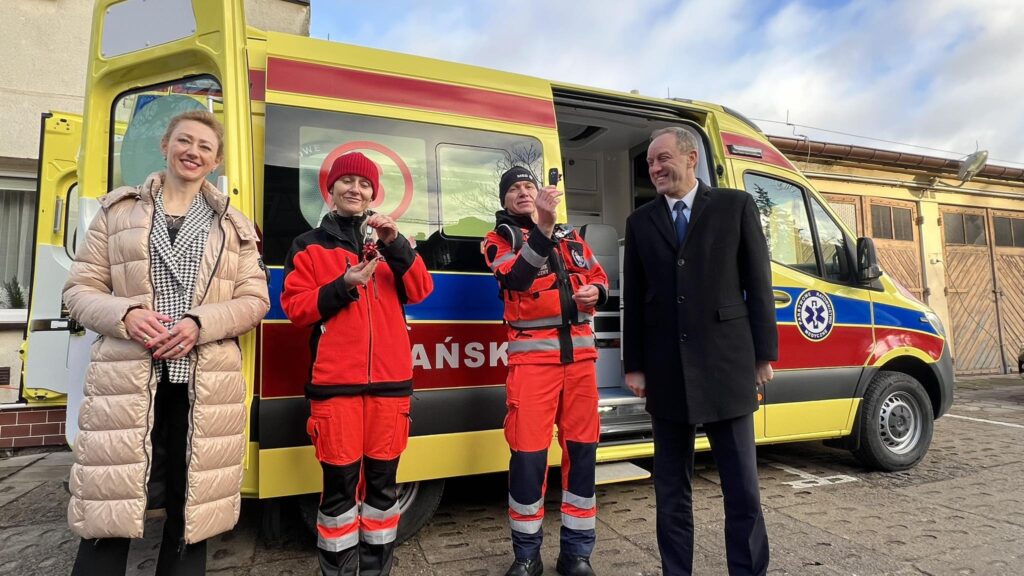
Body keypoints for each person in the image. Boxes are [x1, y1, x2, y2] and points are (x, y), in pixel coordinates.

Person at [64, 110, 271, 575]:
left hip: (200, 385)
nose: (192, 152)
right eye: (185, 140)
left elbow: (255, 301)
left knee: (189, 504)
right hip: (126, 380)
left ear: (216, 161)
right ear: (165, 146)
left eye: (204, 147)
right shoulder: (117, 212)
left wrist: (201, 323)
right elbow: (78, 291)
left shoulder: (233, 226)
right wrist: (126, 314)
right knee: (111, 500)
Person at [622, 126, 778, 576]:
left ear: (692, 159)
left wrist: (763, 355)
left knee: (743, 489)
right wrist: (635, 366)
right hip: (667, 371)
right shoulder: (641, 222)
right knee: (671, 490)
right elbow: (635, 295)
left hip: (728, 365)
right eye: (650, 163)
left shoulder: (734, 206)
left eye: (663, 158)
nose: (655, 168)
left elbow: (758, 283)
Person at [281, 151, 434, 576]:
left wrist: (395, 241)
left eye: (365, 184)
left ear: (373, 194)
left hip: (391, 387)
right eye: (347, 181)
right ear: (331, 190)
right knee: (338, 496)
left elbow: (422, 290)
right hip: (335, 389)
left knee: (383, 491)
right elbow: (295, 308)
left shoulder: (389, 247)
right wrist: (343, 286)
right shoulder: (308, 246)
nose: (356, 189)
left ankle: (376, 571)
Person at [483, 167, 609, 576]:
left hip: (581, 366)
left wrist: (597, 292)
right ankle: (526, 556)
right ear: (504, 200)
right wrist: (542, 225)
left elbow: (597, 275)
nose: (523, 192)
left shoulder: (571, 238)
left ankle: (577, 553)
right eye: (514, 189)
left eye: (529, 186)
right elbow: (517, 277)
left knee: (583, 454)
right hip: (532, 367)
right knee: (528, 458)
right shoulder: (497, 240)